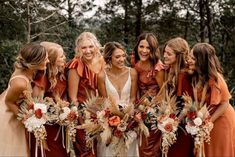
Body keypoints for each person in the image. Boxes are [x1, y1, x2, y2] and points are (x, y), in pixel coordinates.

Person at [0, 42, 49, 156]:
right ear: (35, 62)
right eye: (45, 59)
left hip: (16, 111)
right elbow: (8, 101)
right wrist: (27, 120)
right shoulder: (20, 83)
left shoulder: (29, 70)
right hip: (8, 116)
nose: (48, 61)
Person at [188, 43, 235, 157]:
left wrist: (207, 123)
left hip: (220, 119)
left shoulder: (216, 78)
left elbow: (225, 104)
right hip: (205, 117)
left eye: (193, 58)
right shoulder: (195, 75)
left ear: (202, 61)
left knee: (217, 152)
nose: (189, 60)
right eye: (189, 57)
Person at [67, 32, 105, 157]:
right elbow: (73, 97)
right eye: (84, 48)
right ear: (78, 49)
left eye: (90, 46)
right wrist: (80, 118)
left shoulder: (103, 61)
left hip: (103, 113)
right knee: (87, 151)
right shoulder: (76, 65)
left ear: (96, 46)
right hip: (84, 115)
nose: (88, 51)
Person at [97, 41, 138, 156]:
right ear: (109, 58)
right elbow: (105, 101)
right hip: (110, 122)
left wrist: (128, 118)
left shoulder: (132, 73)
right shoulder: (101, 76)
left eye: (123, 55)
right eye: (117, 57)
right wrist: (113, 122)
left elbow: (133, 98)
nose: (121, 59)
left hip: (130, 121)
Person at [31, 41, 67, 157]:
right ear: (51, 59)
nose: (64, 58)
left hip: (59, 125)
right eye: (61, 56)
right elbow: (35, 105)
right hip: (46, 128)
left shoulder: (60, 72)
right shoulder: (42, 77)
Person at [132, 32, 164, 157]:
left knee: (149, 148)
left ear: (153, 50)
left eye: (148, 48)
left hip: (154, 112)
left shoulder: (157, 67)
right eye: (141, 47)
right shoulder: (136, 64)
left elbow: (163, 91)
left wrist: (151, 109)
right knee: (140, 146)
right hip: (139, 110)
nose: (144, 51)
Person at [163, 37, 194, 157]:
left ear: (178, 56)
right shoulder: (172, 71)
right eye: (164, 52)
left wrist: (174, 123)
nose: (164, 55)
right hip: (173, 124)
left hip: (182, 127)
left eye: (169, 54)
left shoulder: (183, 75)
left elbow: (188, 105)